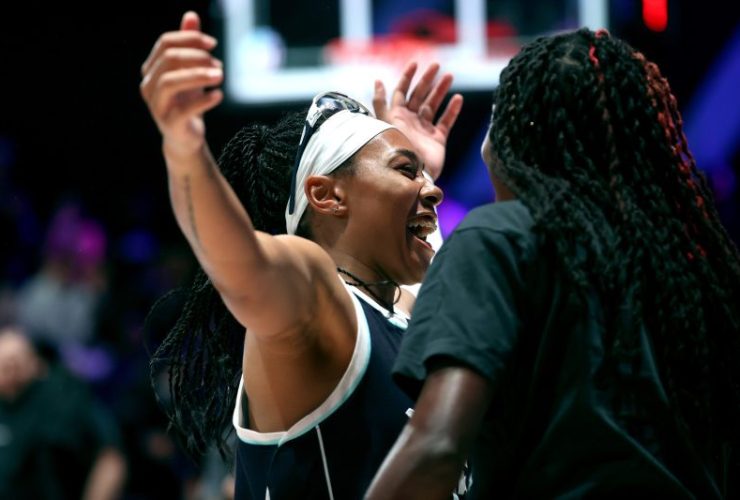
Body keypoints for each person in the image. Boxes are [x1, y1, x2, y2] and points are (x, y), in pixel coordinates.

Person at [366, 28, 740, 499]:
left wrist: (405, 172)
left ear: (512, 133)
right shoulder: (687, 265)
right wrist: (418, 173)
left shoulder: (499, 237)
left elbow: (436, 447)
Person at [139, 10, 463, 499]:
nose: (433, 190)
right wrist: (185, 150)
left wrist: (415, 164)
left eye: (425, 177)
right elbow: (241, 264)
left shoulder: (403, 308)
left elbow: (427, 283)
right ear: (326, 195)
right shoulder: (318, 298)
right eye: (404, 171)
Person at [0, 325, 127, 500]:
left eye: (15, 363)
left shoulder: (66, 396)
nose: (10, 372)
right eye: (4, 366)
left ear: (36, 363)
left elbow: (110, 457)